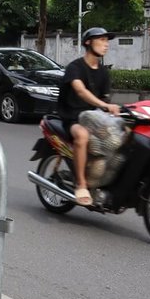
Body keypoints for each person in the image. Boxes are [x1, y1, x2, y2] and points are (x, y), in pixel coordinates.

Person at [57, 27, 121, 206]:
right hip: (73, 118)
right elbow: (80, 91)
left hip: (94, 119)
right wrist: (104, 105)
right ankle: (81, 184)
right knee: (82, 135)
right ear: (88, 42)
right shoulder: (75, 67)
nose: (106, 44)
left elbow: (105, 99)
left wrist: (113, 110)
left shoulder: (103, 72)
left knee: (121, 137)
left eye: (107, 41)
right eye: (101, 40)